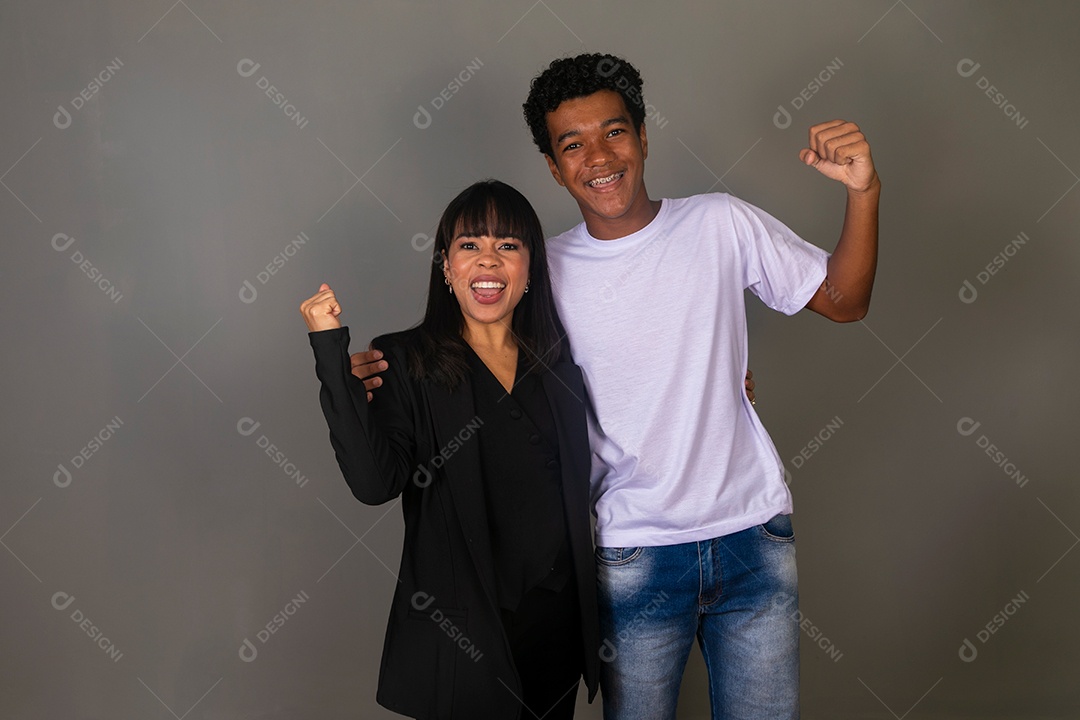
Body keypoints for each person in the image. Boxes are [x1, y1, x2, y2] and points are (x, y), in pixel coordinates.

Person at [352, 53, 880, 720]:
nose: (598, 156)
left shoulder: (719, 222)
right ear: (554, 167)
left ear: (644, 137)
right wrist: (377, 375)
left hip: (753, 535)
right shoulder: (541, 272)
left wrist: (863, 191)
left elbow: (845, 301)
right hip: (632, 551)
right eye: (572, 144)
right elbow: (470, 359)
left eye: (614, 132)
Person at [301, 180, 600, 719]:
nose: (488, 260)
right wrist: (332, 359)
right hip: (463, 640)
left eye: (508, 245)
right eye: (469, 245)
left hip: (557, 632)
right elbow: (374, 485)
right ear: (446, 265)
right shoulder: (404, 360)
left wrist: (728, 385)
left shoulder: (561, 365)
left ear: (531, 267)